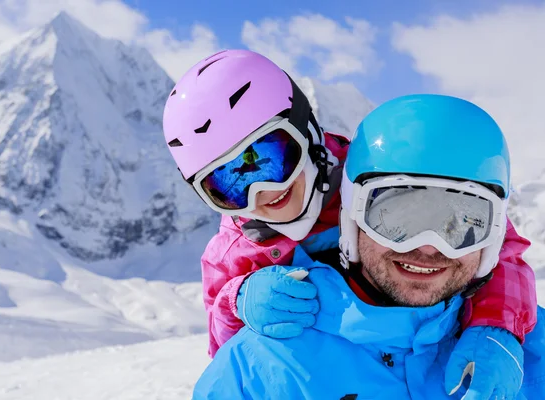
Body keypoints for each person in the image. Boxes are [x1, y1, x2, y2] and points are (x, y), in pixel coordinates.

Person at [162, 50, 537, 396]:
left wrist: (497, 324)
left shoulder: (374, 175)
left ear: (305, 130)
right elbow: (223, 343)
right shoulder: (234, 251)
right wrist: (239, 300)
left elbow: (496, 244)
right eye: (226, 186)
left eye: (267, 160)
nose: (260, 193)